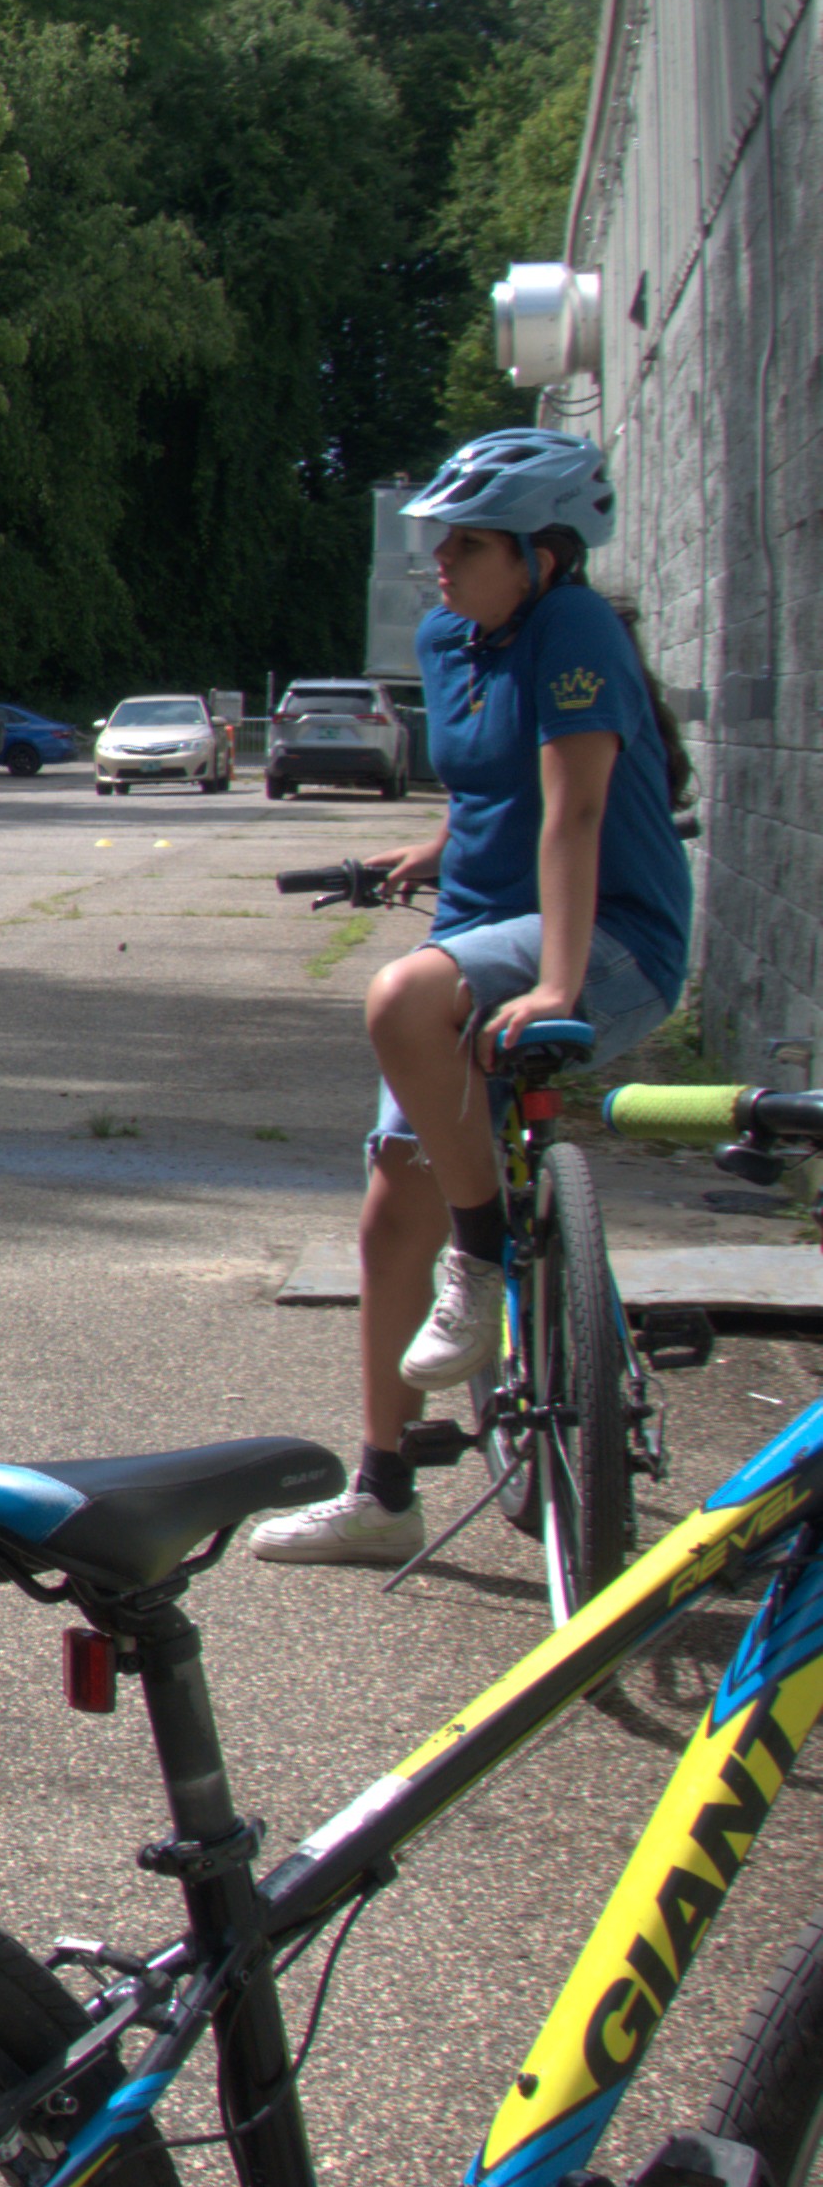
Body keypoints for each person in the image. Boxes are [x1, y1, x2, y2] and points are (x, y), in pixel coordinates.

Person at [251, 427, 692, 1566]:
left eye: (467, 542)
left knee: (402, 998)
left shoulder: (576, 629)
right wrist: (437, 843)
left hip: (610, 937)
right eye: (438, 540)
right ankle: (383, 1487)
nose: (438, 561)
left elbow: (576, 811)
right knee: (391, 1205)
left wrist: (557, 978)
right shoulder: (456, 639)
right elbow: (496, 786)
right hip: (484, 934)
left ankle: (486, 1258)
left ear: (543, 555)